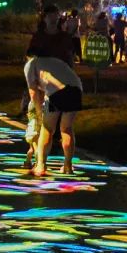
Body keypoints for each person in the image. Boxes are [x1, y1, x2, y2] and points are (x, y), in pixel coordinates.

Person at [25, 46, 83, 176]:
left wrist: (39, 112)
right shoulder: (55, 61)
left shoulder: (30, 64)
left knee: (47, 129)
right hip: (76, 90)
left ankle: (41, 166)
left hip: (55, 93)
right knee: (66, 128)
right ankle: (68, 166)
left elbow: (33, 91)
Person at [23, 96, 41, 170]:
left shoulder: (30, 113)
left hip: (30, 130)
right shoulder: (38, 116)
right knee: (37, 148)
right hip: (35, 130)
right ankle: (38, 163)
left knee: (31, 148)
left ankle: (27, 161)